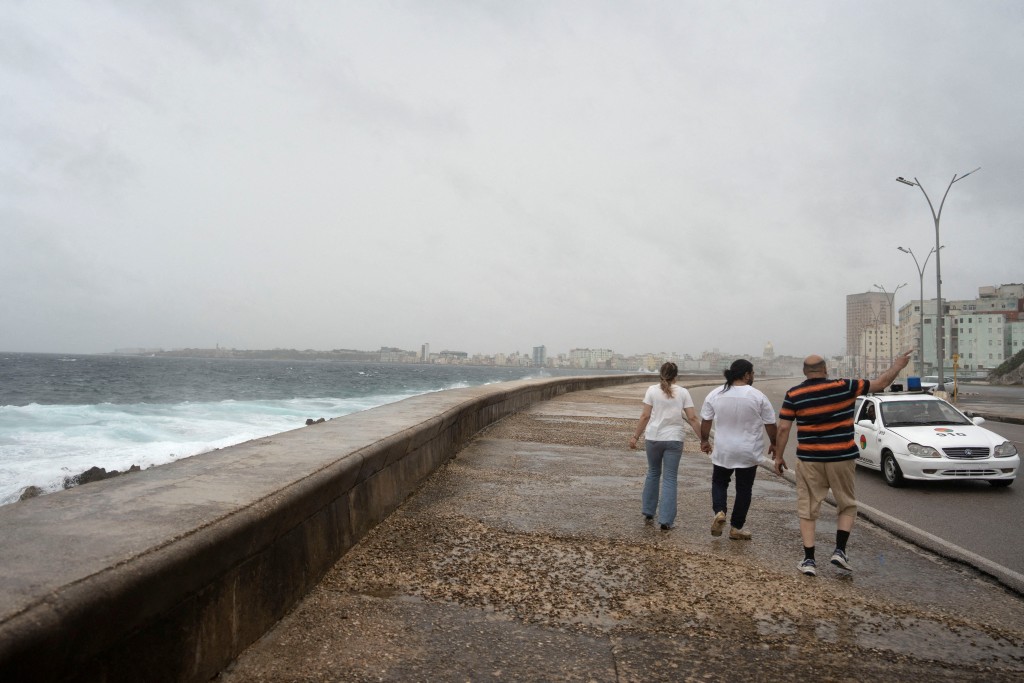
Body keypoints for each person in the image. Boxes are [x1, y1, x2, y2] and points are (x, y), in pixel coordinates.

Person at [774, 350, 912, 576]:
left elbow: (783, 428)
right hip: (842, 457)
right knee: (846, 504)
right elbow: (881, 383)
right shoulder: (846, 386)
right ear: (826, 370)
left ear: (804, 373)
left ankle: (809, 560)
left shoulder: (794, 394)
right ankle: (840, 550)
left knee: (808, 508)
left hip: (810, 460)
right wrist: (898, 365)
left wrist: (779, 457)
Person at [698, 359, 778, 541]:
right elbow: (771, 424)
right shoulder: (758, 396)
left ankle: (719, 512)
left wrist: (704, 441)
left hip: (724, 450)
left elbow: (706, 421)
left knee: (719, 483)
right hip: (748, 451)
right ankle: (736, 528)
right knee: (744, 489)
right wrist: (775, 444)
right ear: (746, 374)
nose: (754, 376)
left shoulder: (715, 394)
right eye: (753, 373)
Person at [629, 362, 702, 530]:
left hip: (653, 438)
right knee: (670, 478)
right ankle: (666, 521)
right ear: (676, 376)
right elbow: (692, 418)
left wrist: (635, 436)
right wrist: (703, 440)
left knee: (653, 473)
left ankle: (648, 511)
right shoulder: (683, 392)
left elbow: (645, 416)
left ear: (660, 374)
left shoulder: (652, 390)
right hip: (674, 439)